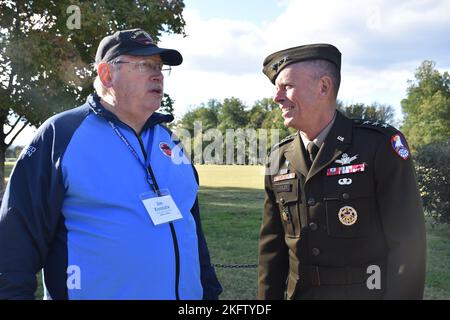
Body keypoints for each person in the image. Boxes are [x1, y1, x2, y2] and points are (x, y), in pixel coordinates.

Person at [0, 28, 222, 300]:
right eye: (144, 65)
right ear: (106, 74)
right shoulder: (61, 134)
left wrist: (210, 294)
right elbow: (15, 242)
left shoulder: (171, 142)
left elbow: (192, 232)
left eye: (160, 68)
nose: (158, 75)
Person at [258, 44, 426, 300]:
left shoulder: (378, 145)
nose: (276, 97)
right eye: (276, 89)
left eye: (287, 87)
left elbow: (407, 246)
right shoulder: (278, 157)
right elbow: (272, 249)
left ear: (323, 87)